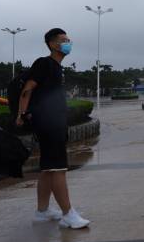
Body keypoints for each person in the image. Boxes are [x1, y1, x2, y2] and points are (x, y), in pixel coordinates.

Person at [15, 28, 90, 229]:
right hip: (48, 123)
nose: (68, 43)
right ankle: (68, 214)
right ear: (52, 44)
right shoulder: (44, 63)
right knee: (58, 168)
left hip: (53, 121)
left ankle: (42, 212)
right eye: (64, 40)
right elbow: (28, 89)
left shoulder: (57, 68)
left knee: (48, 169)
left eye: (68, 39)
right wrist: (21, 114)